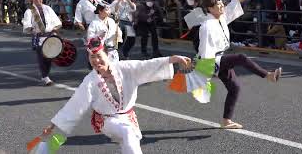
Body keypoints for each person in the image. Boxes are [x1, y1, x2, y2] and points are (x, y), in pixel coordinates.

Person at [41, 42, 191, 154]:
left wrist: (172, 59)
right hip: (106, 119)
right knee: (127, 133)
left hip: (128, 116)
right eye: (92, 57)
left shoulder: (124, 68)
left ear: (108, 55)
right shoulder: (90, 80)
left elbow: (145, 65)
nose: (96, 61)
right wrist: (53, 125)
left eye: (99, 56)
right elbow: (75, 105)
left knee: (131, 140)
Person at [199, 0, 282, 129]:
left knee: (234, 88)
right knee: (241, 57)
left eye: (221, 3)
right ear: (210, 9)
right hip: (213, 60)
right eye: (218, 4)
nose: (222, 5)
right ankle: (268, 75)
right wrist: (208, 72)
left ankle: (226, 121)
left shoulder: (222, 16)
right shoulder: (206, 26)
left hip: (221, 58)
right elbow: (204, 51)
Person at [22, 0, 62, 85]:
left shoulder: (48, 8)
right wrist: (32, 29)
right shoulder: (29, 10)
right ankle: (45, 76)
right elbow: (27, 24)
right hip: (39, 36)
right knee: (41, 57)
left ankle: (46, 73)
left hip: (49, 36)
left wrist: (55, 29)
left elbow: (56, 21)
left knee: (49, 56)